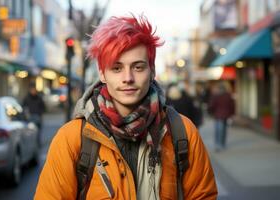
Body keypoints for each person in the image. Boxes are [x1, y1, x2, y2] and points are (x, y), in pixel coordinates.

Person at [34, 15, 217, 199]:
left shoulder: (182, 132)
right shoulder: (72, 139)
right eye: (116, 68)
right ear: (102, 74)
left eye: (137, 67)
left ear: (152, 71)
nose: (128, 78)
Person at [208, 82, 235, 152]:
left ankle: (218, 144)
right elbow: (232, 105)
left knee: (218, 130)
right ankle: (222, 144)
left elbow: (212, 105)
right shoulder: (228, 95)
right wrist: (232, 113)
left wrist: (211, 112)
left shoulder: (216, 96)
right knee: (223, 130)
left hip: (218, 115)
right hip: (225, 115)